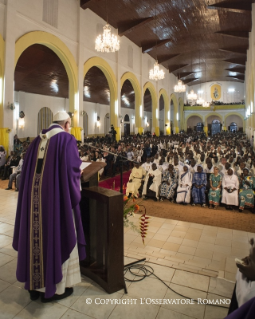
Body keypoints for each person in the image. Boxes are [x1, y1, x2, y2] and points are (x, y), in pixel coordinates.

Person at [12, 111, 86, 302]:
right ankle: (54, 288)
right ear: (67, 123)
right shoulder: (66, 140)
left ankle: (34, 287)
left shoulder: (37, 141)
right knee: (56, 234)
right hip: (56, 200)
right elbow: (72, 170)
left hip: (33, 201)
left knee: (34, 236)